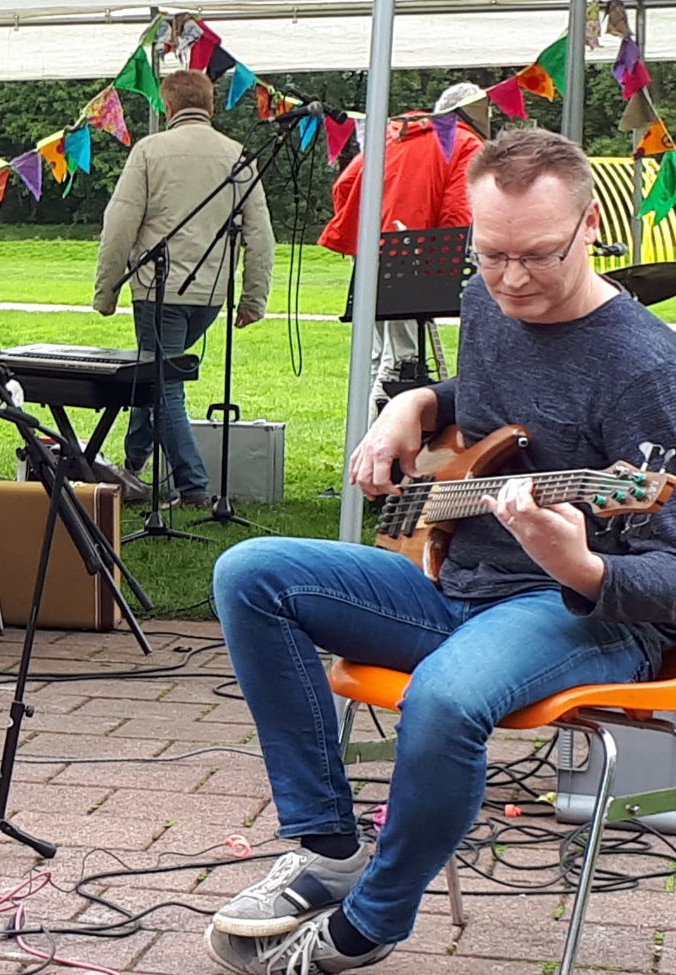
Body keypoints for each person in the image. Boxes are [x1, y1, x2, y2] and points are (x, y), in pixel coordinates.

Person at [206, 127, 676, 974]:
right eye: (492, 254)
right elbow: (489, 401)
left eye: (538, 256)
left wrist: (579, 565)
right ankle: (327, 847)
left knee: (446, 698)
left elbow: (672, 576)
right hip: (462, 587)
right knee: (251, 572)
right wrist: (412, 406)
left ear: (590, 228)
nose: (512, 279)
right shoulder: (483, 302)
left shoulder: (649, 369)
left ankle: (371, 923)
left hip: (589, 613)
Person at [93, 67, 274, 508]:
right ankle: (133, 465)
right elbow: (261, 234)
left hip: (159, 290)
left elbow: (119, 223)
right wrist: (253, 298)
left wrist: (107, 289)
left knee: (164, 386)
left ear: (167, 106)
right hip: (210, 295)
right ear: (211, 107)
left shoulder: (150, 151)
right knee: (156, 373)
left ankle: (193, 486)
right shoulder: (238, 155)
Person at [319, 82, 487, 411]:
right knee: (401, 363)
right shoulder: (465, 143)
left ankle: (361, 442)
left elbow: (345, 185)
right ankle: (379, 450)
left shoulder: (393, 135)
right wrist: (446, 271)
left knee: (379, 357)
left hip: (372, 251)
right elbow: (459, 214)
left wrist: (359, 234)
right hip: (415, 256)